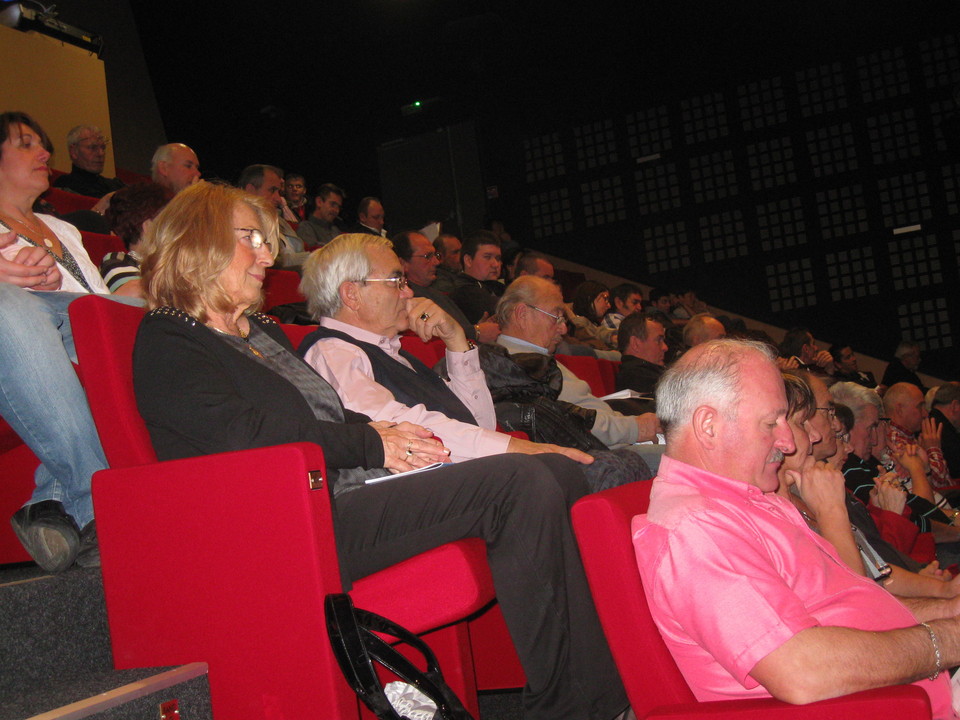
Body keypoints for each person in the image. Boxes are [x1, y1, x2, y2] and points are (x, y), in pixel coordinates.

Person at [132, 182, 631, 720]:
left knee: (552, 473)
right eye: (250, 238)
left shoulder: (262, 333)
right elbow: (245, 434)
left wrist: (391, 437)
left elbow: (327, 415)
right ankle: (572, 706)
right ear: (200, 241)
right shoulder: (169, 338)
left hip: (341, 494)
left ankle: (600, 692)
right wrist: (372, 441)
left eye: (268, 241)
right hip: (285, 523)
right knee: (520, 481)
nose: (268, 256)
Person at [632, 338, 955, 717]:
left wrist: (949, 609)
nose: (788, 442)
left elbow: (852, 604)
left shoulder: (753, 498)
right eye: (772, 423)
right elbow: (802, 671)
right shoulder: (697, 529)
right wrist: (949, 638)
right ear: (709, 426)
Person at [0, 111, 131, 572]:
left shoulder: (65, 230)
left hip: (77, 326)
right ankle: (94, 501)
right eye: (25, 144)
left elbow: (99, 307)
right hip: (15, 331)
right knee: (9, 304)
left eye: (43, 144)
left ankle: (52, 500)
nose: (44, 153)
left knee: (156, 317)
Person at [391, 230, 498, 343]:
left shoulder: (436, 293)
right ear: (403, 264)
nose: (436, 262)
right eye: (428, 256)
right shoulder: (407, 300)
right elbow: (429, 336)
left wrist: (479, 327)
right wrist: (476, 332)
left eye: (435, 255)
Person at [99, 182, 169, 295]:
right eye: (172, 223)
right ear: (149, 226)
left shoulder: (173, 266)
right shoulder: (116, 261)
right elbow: (144, 298)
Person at [52, 125, 124, 198]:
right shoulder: (65, 186)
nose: (101, 153)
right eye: (92, 147)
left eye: (103, 148)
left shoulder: (115, 185)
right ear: (74, 151)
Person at [449, 229, 504, 324]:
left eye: (498, 258)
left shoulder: (496, 287)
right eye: (487, 257)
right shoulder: (464, 293)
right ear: (468, 260)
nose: (496, 264)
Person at [614, 313, 667, 396]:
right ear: (635, 344)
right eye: (658, 340)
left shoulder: (648, 374)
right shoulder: (634, 377)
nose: (665, 347)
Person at [566, 280, 617, 350]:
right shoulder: (566, 318)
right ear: (589, 297)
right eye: (605, 299)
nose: (609, 305)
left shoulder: (594, 324)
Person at [297, 182, 345, 249]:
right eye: (333, 204)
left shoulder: (335, 230)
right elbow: (313, 251)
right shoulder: (305, 227)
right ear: (319, 202)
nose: (336, 210)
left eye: (338, 207)